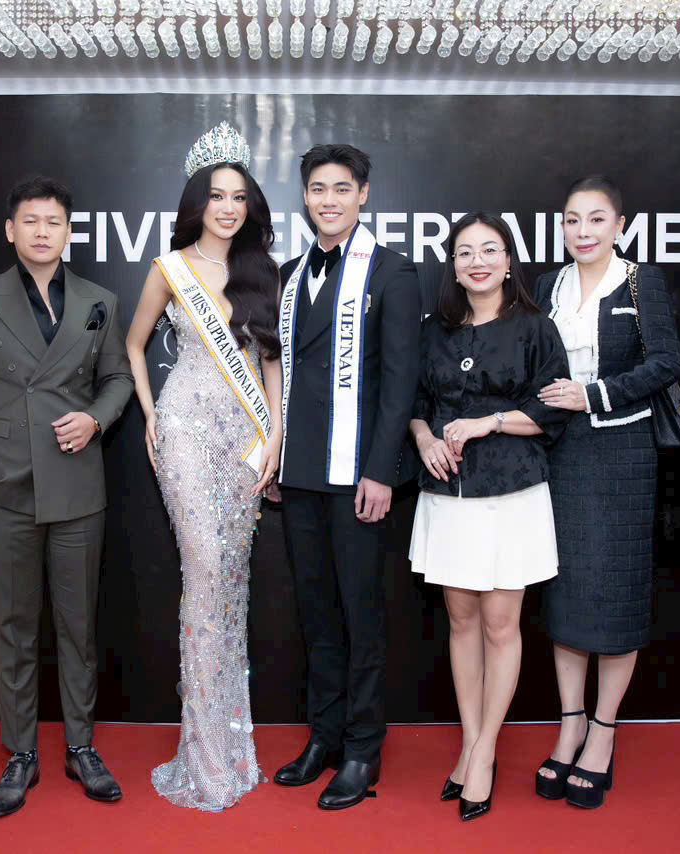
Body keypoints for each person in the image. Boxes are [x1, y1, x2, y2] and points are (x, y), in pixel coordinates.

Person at [0, 176, 135, 817]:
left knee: (78, 628)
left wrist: (96, 419)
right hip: (4, 484)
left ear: (68, 232)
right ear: (11, 230)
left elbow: (117, 377)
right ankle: (20, 752)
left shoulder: (98, 299)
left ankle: (81, 747)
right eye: (31, 220)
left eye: (53, 222)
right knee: (15, 627)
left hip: (77, 484)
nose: (42, 231)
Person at [125, 122, 283, 812]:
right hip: (186, 432)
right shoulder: (170, 269)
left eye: (239, 197)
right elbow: (134, 345)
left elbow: (271, 363)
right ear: (198, 201)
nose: (228, 207)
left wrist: (275, 436)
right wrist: (151, 413)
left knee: (233, 583)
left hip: (245, 438)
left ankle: (230, 742)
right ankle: (202, 754)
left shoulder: (262, 272)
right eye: (217, 195)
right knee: (204, 573)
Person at [272, 143, 421, 811]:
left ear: (363, 194)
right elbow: (280, 378)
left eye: (341, 188)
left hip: (358, 474)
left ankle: (363, 748)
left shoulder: (392, 271)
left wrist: (381, 470)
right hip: (300, 473)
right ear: (305, 198)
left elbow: (400, 382)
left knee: (361, 616)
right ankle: (324, 737)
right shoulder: (288, 274)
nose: (328, 200)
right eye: (317, 189)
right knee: (316, 614)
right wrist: (276, 459)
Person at [409, 213, 571, 821]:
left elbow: (552, 411)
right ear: (453, 265)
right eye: (465, 252)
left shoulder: (534, 327)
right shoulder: (433, 329)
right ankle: (472, 743)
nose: (477, 261)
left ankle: (483, 753)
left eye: (489, 250)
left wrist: (490, 422)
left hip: (511, 493)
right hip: (446, 493)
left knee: (501, 625)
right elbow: (415, 404)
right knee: (462, 621)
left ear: (507, 261)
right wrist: (425, 438)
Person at [532, 175, 680, 809]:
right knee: (567, 591)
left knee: (617, 592)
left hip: (623, 453)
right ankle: (570, 724)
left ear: (620, 225)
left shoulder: (641, 281)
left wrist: (593, 395)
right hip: (560, 453)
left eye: (596, 219)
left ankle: (603, 731)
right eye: (572, 220)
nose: (583, 231)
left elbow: (667, 363)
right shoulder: (549, 285)